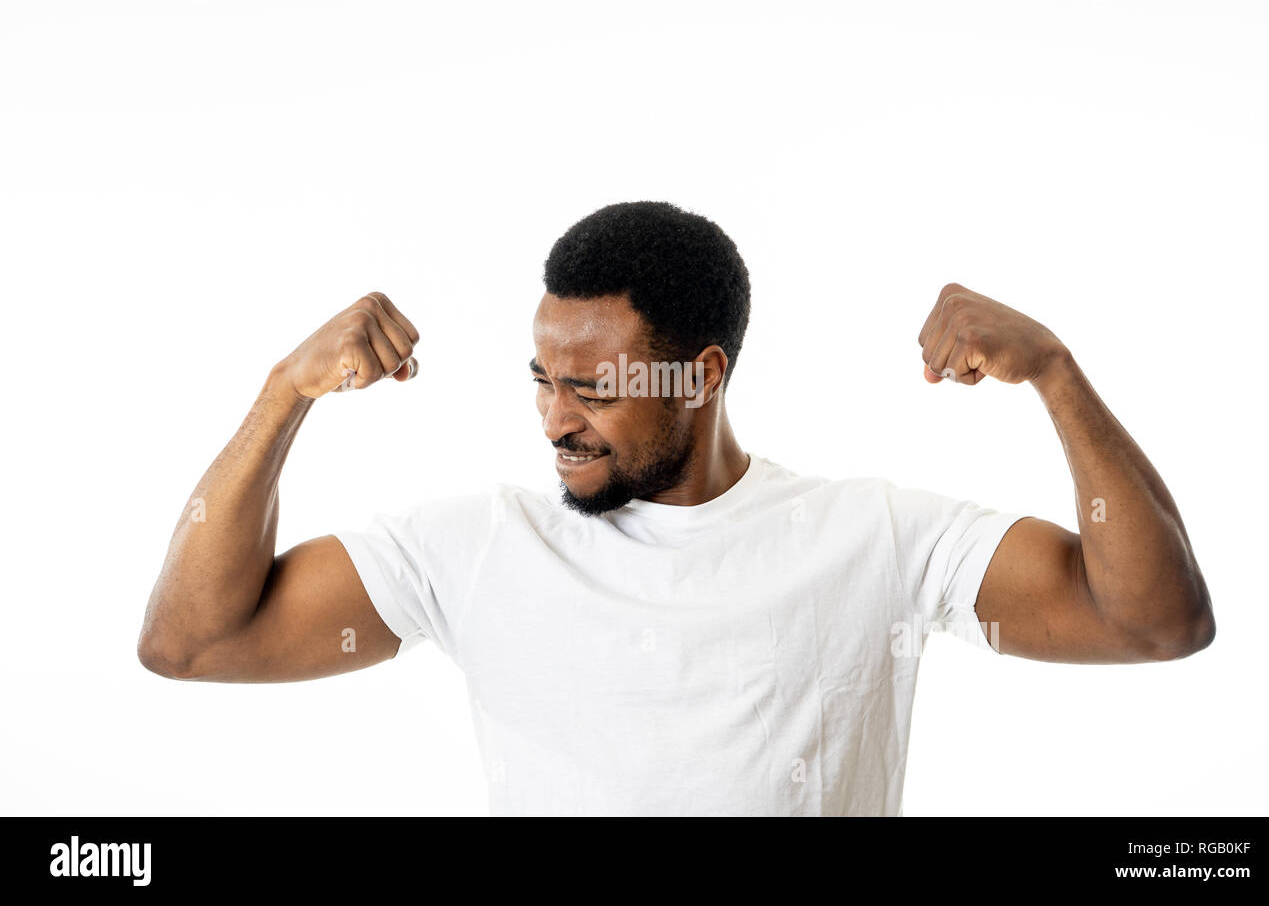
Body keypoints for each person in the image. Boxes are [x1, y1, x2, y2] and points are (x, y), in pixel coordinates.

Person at [137, 200, 1214, 815]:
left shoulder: (875, 537)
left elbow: (1153, 620)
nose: (555, 418)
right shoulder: (472, 547)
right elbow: (192, 640)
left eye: (594, 387)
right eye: (542, 378)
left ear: (698, 377)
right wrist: (286, 390)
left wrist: (1057, 375)